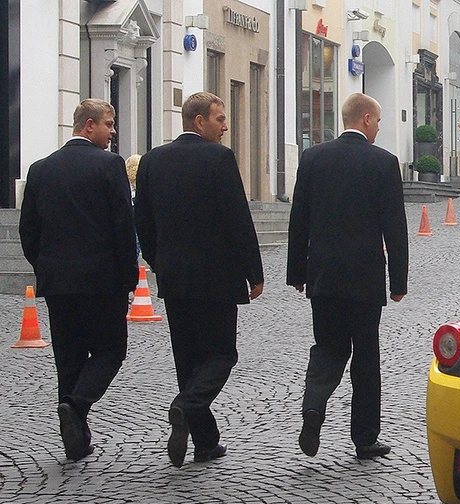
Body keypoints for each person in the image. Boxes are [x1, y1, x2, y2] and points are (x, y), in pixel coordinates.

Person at [134, 92, 264, 468]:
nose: (225, 127)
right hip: (217, 276)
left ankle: (205, 441)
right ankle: (186, 406)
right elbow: (237, 218)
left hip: (174, 275)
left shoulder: (153, 160)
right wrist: (253, 272)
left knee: (188, 360)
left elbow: (142, 219)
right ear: (198, 121)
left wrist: (158, 261)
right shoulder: (219, 158)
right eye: (220, 119)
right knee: (222, 354)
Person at [287, 93, 409, 461]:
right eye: (379, 121)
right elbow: (395, 227)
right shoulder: (384, 163)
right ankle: (365, 437)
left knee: (326, 347)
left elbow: (299, 220)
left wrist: (297, 272)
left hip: (323, 276)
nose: (379, 128)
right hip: (364, 279)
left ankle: (313, 405)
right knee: (366, 357)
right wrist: (398, 281)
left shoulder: (313, 158)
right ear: (368, 119)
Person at [19, 99, 139, 461]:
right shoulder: (109, 165)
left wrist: (44, 267)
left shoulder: (40, 169)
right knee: (109, 351)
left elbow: (29, 230)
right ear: (89, 126)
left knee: (68, 358)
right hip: (102, 281)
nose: (113, 131)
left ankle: (75, 438)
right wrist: (128, 276)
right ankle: (76, 404)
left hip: (58, 282)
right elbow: (122, 226)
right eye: (109, 124)